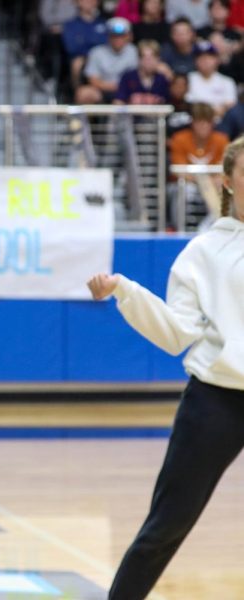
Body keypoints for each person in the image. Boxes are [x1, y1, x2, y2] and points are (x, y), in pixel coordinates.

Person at [88, 134, 244, 600]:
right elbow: (176, 331)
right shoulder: (203, 253)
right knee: (166, 526)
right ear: (228, 181)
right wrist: (124, 290)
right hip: (217, 400)